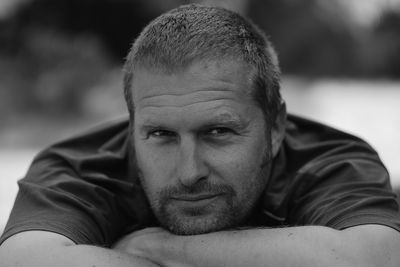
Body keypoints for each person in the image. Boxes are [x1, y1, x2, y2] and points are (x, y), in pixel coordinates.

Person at [1, 4, 400, 267]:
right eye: (160, 134)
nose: (189, 172)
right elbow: (24, 260)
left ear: (276, 126)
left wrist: (161, 249)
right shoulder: (79, 165)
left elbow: (376, 257)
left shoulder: (329, 158)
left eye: (218, 132)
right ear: (132, 120)